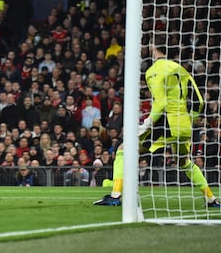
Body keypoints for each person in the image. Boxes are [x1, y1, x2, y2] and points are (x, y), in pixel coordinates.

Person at [94, 36, 219, 207]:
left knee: (123, 149)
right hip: (184, 124)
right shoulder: (181, 69)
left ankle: (115, 196)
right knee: (184, 162)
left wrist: (147, 123)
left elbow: (161, 103)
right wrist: (189, 120)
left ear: (154, 48)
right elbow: (199, 102)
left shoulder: (153, 70)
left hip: (166, 122)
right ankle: (211, 199)